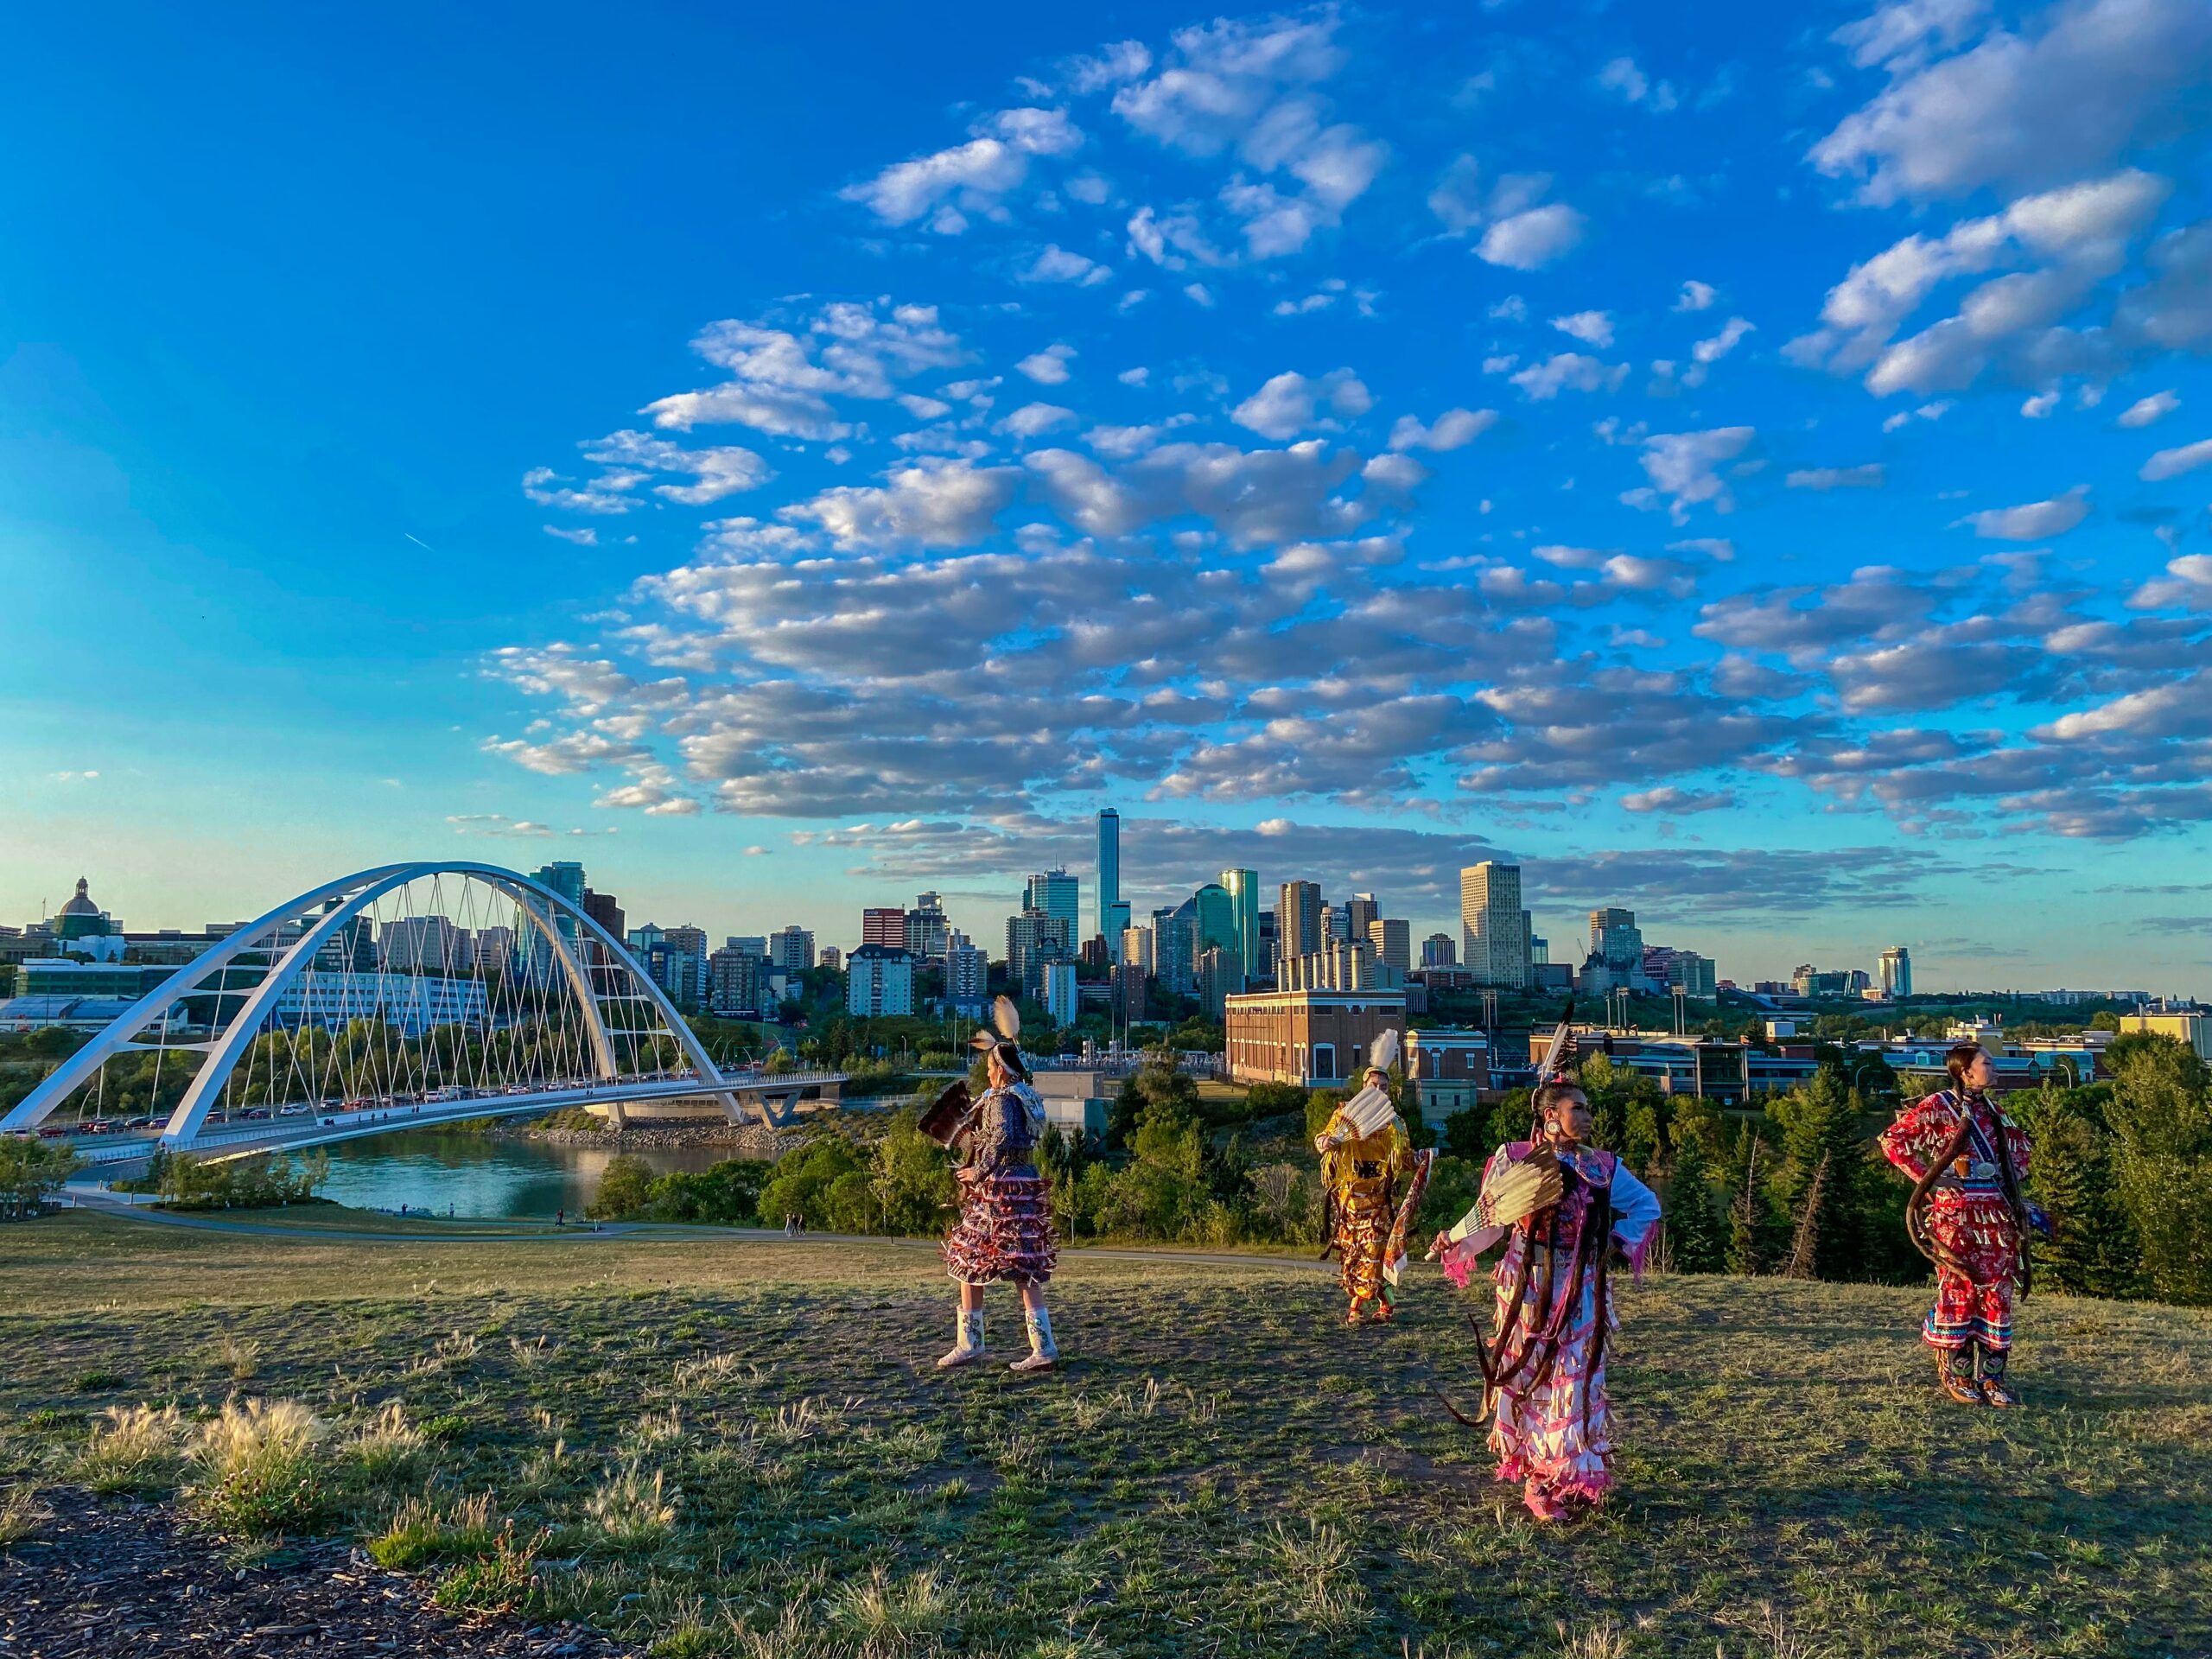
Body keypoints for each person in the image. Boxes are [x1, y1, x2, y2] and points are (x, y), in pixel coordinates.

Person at [1428, 1073, 1661, 1522]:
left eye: (1589, 1108)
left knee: (1576, 1381)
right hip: (1529, 1285)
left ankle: (1566, 1474)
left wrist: (1612, 1241)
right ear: (1551, 1115)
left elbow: (1647, 1205)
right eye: (1579, 1108)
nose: (1589, 1116)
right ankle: (1537, 1479)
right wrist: (1456, 1242)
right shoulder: (1515, 1160)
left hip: (1581, 1287)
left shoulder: (1604, 1166)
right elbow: (1493, 1221)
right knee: (1529, 1377)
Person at [1878, 1044, 2038, 1408]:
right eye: (1987, 1062)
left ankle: (1993, 1378)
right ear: (1965, 1071)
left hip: (1996, 1217)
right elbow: (1893, 1141)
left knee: (1998, 1289)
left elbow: (2022, 1151)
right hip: (1956, 1216)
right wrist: (1930, 1178)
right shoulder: (1939, 1106)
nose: (1993, 1068)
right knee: (1960, 1286)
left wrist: (2009, 1178)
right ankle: (1958, 1372)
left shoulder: (1994, 1110)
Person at [938, 997, 1059, 1373]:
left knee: (981, 1261)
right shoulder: (1022, 1096)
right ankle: (1028, 1346)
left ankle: (980, 1344)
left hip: (1002, 1191)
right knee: (1004, 1264)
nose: (987, 1073)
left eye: (990, 1066)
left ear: (1001, 1069)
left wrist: (978, 1172)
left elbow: (1002, 1138)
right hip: (1017, 1186)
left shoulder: (1004, 1099)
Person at [1313, 1030, 1430, 1324]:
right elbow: (1326, 1137)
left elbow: (1403, 1158)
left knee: (1376, 1251)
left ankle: (1360, 1307)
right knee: (1354, 1254)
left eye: (1384, 1087)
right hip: (1351, 1200)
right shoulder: (1344, 1115)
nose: (1378, 1090)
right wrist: (1324, 1142)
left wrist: (1417, 1160)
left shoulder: (1396, 1125)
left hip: (1379, 1199)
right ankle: (1378, 1304)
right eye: (1373, 1085)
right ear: (1363, 1087)